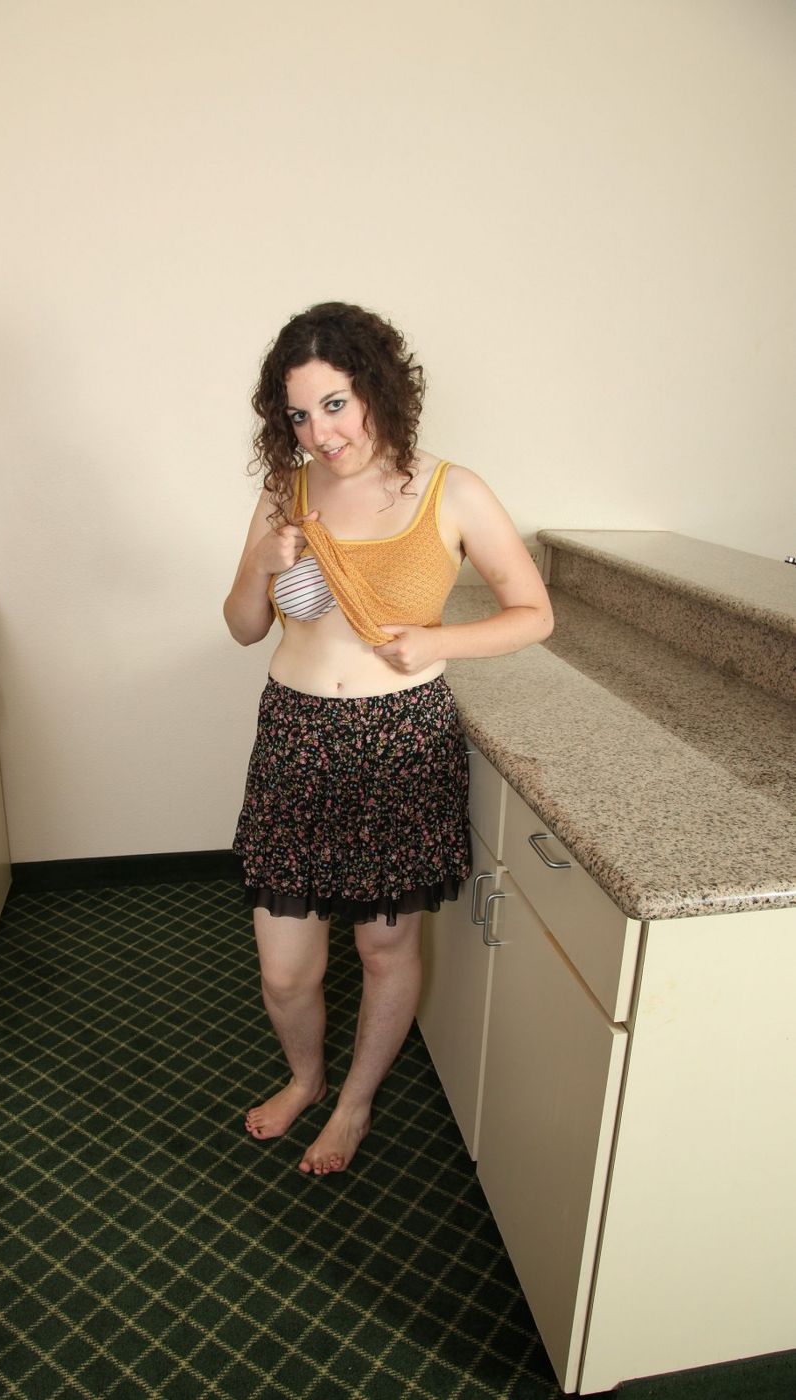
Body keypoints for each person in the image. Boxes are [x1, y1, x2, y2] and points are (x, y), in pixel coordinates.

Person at [224, 302, 553, 1177]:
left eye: (334, 404)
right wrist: (260, 563)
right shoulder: (286, 491)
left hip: (399, 740)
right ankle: (306, 1079)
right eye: (298, 414)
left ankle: (355, 1103)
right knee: (286, 970)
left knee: (382, 947)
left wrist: (438, 642)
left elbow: (533, 613)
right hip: (294, 737)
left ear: (376, 387)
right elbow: (243, 626)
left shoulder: (452, 489)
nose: (319, 433)